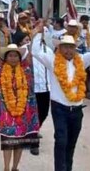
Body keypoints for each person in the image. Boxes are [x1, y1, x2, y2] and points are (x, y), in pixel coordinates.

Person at [30, 21, 90, 171]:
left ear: (75, 48)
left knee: (71, 144)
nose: (68, 50)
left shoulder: (81, 60)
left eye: (71, 47)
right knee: (61, 141)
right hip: (59, 109)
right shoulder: (53, 61)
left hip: (76, 110)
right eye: (65, 47)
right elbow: (35, 52)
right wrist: (37, 33)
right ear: (59, 48)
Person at [0, 41, 40, 171]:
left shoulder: (26, 70)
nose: (13, 58)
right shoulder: (0, 70)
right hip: (6, 113)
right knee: (8, 142)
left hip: (23, 114)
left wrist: (33, 36)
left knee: (19, 142)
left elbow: (30, 57)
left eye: (16, 55)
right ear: (6, 57)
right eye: (10, 55)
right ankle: (6, 168)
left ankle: (15, 168)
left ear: (20, 58)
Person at [28, 28, 50, 156]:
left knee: (44, 113)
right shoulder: (26, 49)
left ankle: (33, 131)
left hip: (45, 89)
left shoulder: (49, 50)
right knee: (33, 115)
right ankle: (34, 142)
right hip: (30, 88)